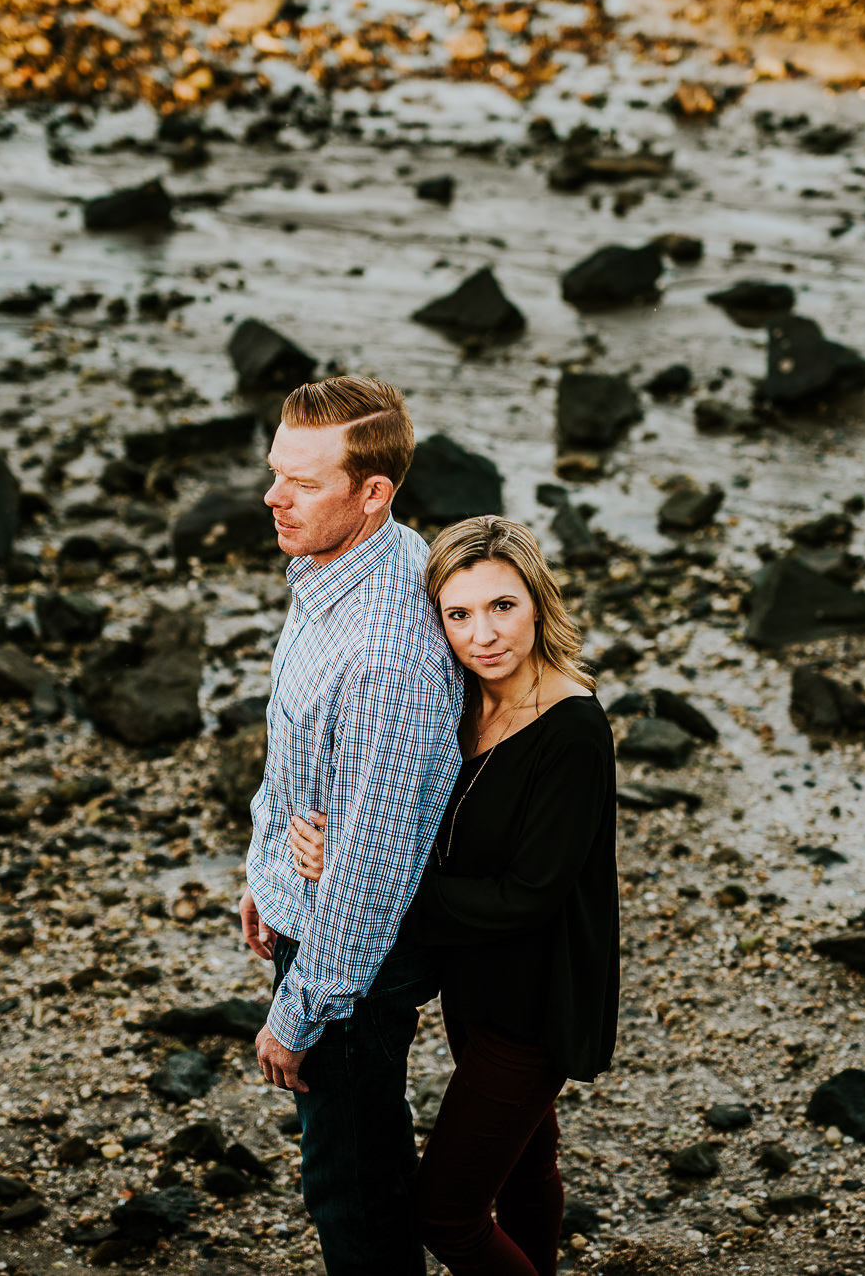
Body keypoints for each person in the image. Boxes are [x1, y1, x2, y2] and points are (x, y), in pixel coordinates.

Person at [288, 515, 620, 1276]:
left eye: (503, 606)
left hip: (535, 1004)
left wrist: (367, 876)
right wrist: (325, 835)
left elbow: (527, 896)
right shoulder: (463, 701)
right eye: (459, 614)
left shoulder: (572, 731)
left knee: (446, 1213)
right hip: (474, 988)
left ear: (538, 601)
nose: (484, 635)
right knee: (527, 1166)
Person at [237, 376, 465, 1276]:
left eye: (303, 483)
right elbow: (296, 757)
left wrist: (298, 1013)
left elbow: (369, 872)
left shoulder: (383, 654)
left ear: (374, 493)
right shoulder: (341, 565)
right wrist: (268, 876)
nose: (272, 497)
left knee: (353, 1188)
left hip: (353, 967)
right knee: (351, 1166)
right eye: (274, 472)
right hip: (313, 909)